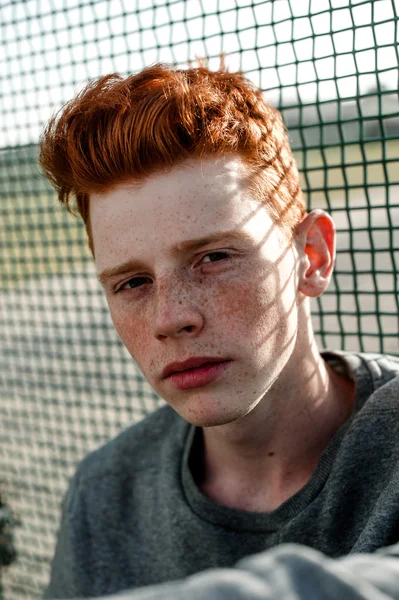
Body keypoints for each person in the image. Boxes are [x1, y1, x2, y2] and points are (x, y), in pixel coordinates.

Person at [39, 63, 399, 600]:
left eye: (214, 256)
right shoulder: (102, 495)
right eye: (133, 282)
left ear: (312, 257)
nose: (170, 317)